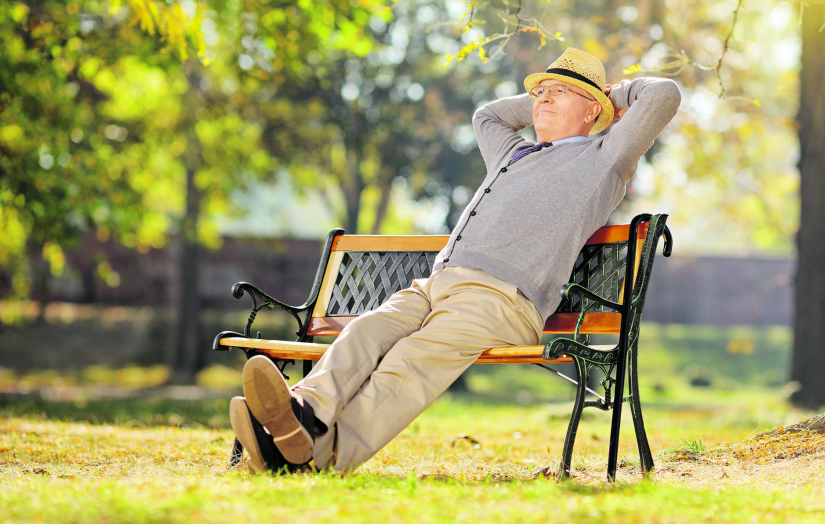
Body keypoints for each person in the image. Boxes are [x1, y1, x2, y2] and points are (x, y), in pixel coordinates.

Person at [229, 47, 681, 474]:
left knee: (410, 360)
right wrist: (547, 98)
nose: (543, 97)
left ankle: (319, 456)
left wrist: (612, 98)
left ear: (591, 111)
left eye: (560, 91)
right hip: (435, 284)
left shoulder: (603, 158)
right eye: (540, 90)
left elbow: (664, 95)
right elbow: (487, 115)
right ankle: (304, 413)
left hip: (501, 299)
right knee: (367, 330)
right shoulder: (512, 152)